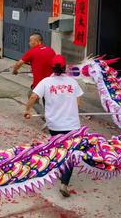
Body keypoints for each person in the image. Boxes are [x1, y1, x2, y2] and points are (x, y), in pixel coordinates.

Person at [24, 55, 83, 198]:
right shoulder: (72, 82)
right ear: (65, 68)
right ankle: (64, 182)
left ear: (52, 67)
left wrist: (27, 110)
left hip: (55, 124)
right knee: (70, 152)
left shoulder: (46, 82)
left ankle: (59, 168)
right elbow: (79, 102)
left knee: (59, 148)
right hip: (72, 124)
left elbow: (33, 97)